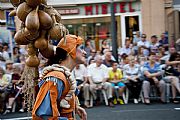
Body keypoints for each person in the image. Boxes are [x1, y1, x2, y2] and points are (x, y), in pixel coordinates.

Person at [32, 35, 87, 120]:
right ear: (70, 50)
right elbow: (44, 115)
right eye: (81, 48)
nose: (85, 52)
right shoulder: (55, 78)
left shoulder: (65, 75)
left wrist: (75, 107)